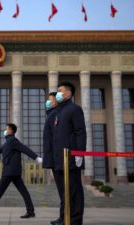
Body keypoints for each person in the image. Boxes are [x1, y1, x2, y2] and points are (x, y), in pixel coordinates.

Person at [0, 123, 43, 219]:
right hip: (13, 172)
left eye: (6, 129)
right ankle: (30, 211)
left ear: (11, 131)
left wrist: (36, 158)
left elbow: (25, 149)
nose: (5, 130)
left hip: (10, 171)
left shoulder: (13, 141)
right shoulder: (8, 142)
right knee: (24, 192)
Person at [46, 82, 86, 225]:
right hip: (58, 160)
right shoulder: (57, 112)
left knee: (74, 191)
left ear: (68, 94)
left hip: (71, 158)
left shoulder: (74, 109)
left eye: (59, 91)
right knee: (64, 192)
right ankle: (64, 217)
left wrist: (80, 153)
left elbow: (80, 132)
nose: (57, 94)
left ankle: (75, 220)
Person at [42, 92, 59, 170]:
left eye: (50, 100)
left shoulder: (55, 113)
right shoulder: (51, 114)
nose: (48, 101)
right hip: (53, 154)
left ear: (56, 101)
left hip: (55, 155)